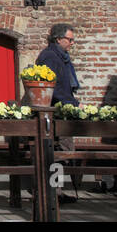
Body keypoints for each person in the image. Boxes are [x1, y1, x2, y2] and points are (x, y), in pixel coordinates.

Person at [36, 23, 82, 200]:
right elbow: (50, 88)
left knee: (61, 152)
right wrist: (73, 103)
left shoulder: (61, 57)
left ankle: (57, 191)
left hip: (62, 111)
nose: (72, 43)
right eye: (69, 39)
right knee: (59, 153)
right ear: (58, 39)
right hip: (55, 113)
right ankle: (54, 194)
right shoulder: (50, 57)